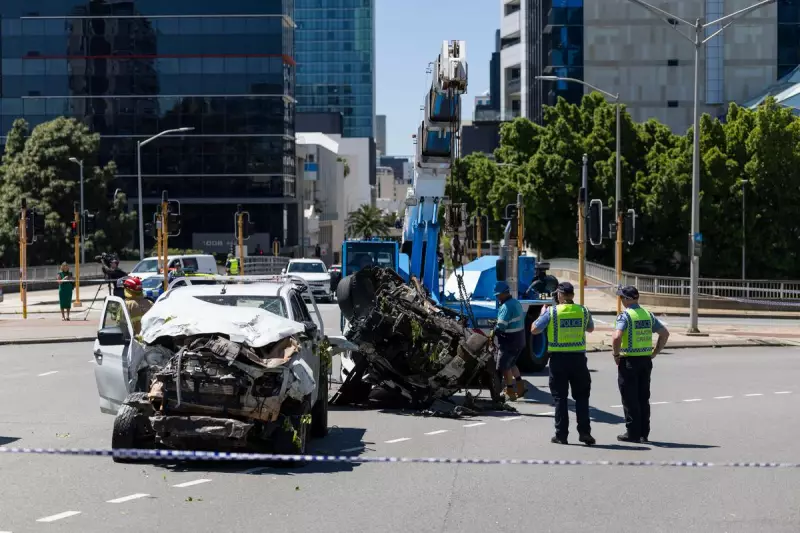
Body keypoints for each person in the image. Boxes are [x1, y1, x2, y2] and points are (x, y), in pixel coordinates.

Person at [531, 282, 596, 446]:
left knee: (560, 398)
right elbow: (590, 329)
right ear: (572, 295)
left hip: (558, 360)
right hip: (578, 360)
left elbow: (534, 329)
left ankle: (561, 435)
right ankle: (585, 433)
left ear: (559, 295)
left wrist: (541, 314)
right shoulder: (583, 310)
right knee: (582, 397)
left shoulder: (552, 312)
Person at [612, 286, 670, 443]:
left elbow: (616, 337)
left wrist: (616, 355)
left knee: (630, 398)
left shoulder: (625, 316)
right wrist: (655, 351)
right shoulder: (647, 315)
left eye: (622, 298)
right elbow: (664, 333)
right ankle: (644, 433)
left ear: (628, 299)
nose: (621, 301)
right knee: (643, 397)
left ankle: (632, 433)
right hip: (645, 361)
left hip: (629, 361)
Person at [490, 281, 527, 401]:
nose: (496, 297)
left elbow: (501, 327)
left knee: (503, 367)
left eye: (497, 295)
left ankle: (509, 390)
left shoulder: (505, 307)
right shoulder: (515, 302)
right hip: (519, 340)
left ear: (503, 294)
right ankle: (520, 386)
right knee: (511, 364)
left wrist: (493, 330)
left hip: (509, 342)